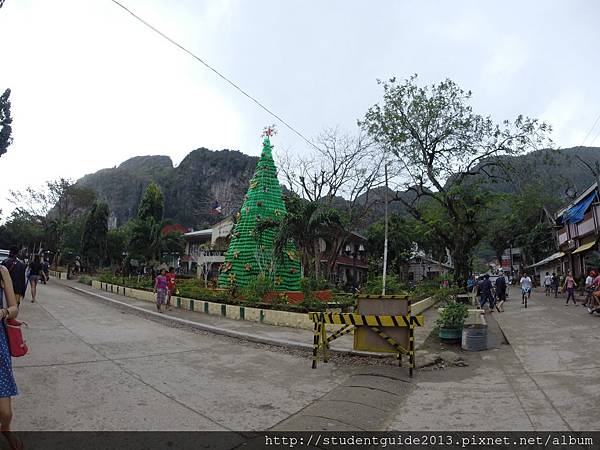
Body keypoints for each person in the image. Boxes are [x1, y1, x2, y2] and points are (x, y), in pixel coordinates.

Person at [0, 264, 22, 450]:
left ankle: (5, 428)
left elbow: (14, 308)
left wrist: (4, 312)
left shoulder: (2, 271)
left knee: (5, 412)